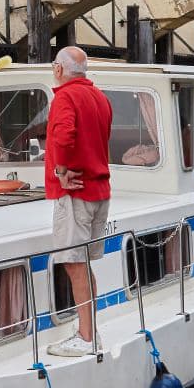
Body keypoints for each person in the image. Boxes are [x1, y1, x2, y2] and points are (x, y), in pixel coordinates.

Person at [43, 46, 112, 358]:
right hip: (99, 190)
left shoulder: (65, 97)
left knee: (74, 264)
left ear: (59, 69)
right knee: (83, 263)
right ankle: (89, 330)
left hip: (76, 193)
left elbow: (63, 136)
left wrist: (61, 171)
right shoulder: (100, 97)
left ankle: (86, 337)